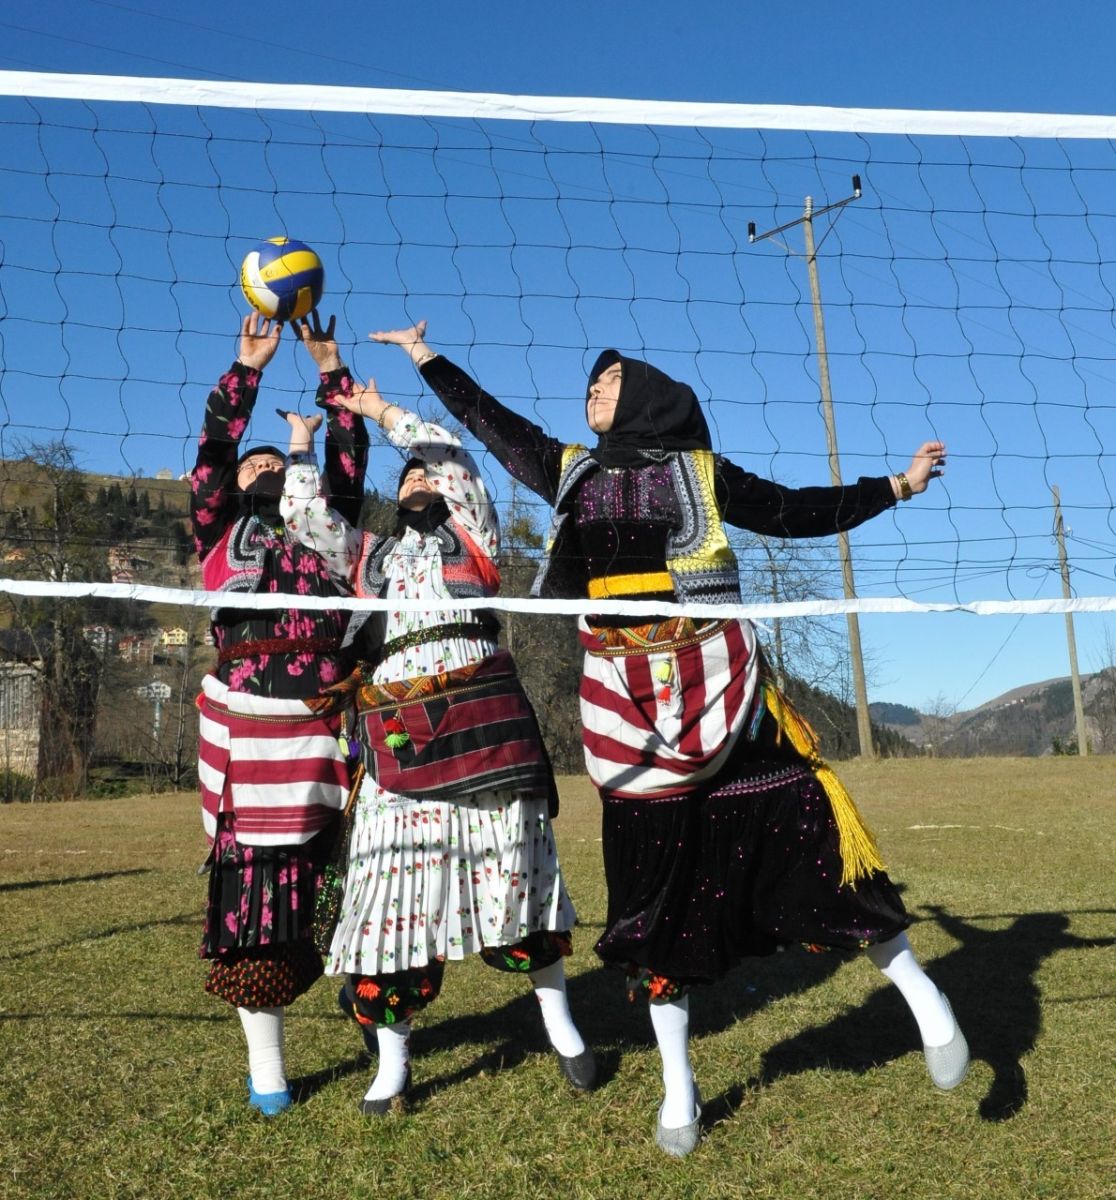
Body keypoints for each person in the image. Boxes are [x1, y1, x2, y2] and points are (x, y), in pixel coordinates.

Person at [367, 319, 969, 1156]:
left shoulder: (702, 474)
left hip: (720, 683)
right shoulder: (569, 471)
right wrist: (427, 360)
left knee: (810, 836)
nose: (591, 394)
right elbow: (493, 425)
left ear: (647, 395)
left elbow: (796, 511)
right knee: (652, 896)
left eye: (607, 384)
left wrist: (896, 487)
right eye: (588, 386)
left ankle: (925, 1002)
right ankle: (679, 1090)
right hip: (621, 703)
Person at [279, 334, 594, 1116]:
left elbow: (449, 450)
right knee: (387, 892)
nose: (418, 478)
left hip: (485, 711)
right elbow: (305, 519)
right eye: (407, 476)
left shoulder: (476, 536)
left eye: (426, 476)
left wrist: (381, 408)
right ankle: (392, 1065)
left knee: (518, 872)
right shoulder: (374, 556)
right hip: (399, 726)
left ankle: (562, 1027)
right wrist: (299, 442)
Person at [191, 311, 369, 1116]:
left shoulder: (326, 530)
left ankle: (374, 1010)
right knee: (249, 894)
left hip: (324, 720)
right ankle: (268, 1070)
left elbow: (349, 451)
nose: (263, 464)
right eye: (253, 460)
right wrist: (247, 369)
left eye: (275, 457)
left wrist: (330, 368)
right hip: (243, 722)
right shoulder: (218, 531)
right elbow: (212, 452)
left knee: (340, 877)